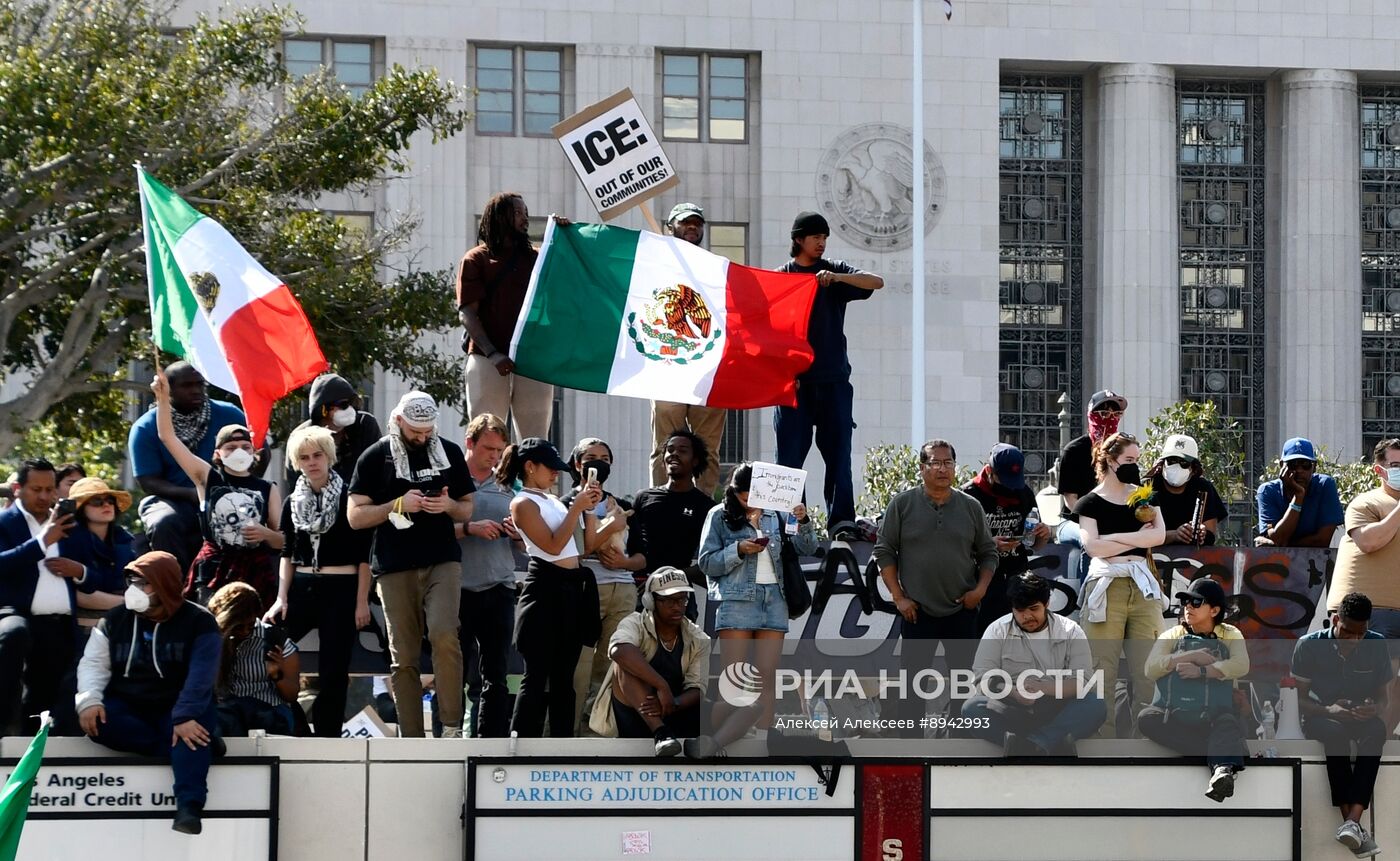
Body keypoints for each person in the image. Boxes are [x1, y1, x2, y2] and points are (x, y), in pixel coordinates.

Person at [347, 390, 475, 738]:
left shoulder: (447, 452)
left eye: (427, 431)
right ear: (398, 421)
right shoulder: (375, 457)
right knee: (403, 653)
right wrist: (397, 505)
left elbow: (467, 507)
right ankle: (411, 736)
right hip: (394, 565)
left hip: (442, 559)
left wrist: (447, 507)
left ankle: (451, 727)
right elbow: (355, 517)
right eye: (415, 431)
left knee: (445, 634)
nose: (421, 437)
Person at [76, 551, 222, 834]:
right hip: (130, 704)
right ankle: (199, 747)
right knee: (101, 724)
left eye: (143, 583)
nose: (135, 589)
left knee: (190, 736)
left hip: (179, 703)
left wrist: (185, 714)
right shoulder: (114, 619)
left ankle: (189, 807)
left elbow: (202, 675)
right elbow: (93, 663)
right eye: (131, 581)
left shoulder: (199, 621)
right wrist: (89, 701)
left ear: (164, 583)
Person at [873, 441, 998, 734]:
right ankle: (910, 752)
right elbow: (884, 551)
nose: (942, 469)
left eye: (948, 463)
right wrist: (899, 597)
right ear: (922, 468)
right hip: (916, 612)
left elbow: (988, 553)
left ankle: (961, 750)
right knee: (913, 686)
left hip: (962, 609)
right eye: (935, 463)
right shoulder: (902, 505)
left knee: (962, 686)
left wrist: (979, 591)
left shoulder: (971, 506)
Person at [773, 210, 883, 539]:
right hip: (794, 386)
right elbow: (767, 329)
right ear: (798, 240)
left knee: (839, 457)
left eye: (824, 238)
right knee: (789, 463)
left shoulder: (833, 272)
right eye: (815, 237)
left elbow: (876, 282)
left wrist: (838, 279)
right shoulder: (782, 277)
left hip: (834, 382)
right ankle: (792, 526)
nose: (821, 243)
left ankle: (841, 524)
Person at [503, 437, 620, 738]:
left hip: (571, 590)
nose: (556, 474)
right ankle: (522, 745)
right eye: (550, 468)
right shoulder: (522, 503)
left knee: (564, 678)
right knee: (536, 675)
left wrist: (588, 509)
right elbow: (553, 547)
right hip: (544, 590)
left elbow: (584, 547)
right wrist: (575, 508)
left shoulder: (552, 501)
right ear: (530, 467)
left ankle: (561, 744)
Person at [697, 463, 816, 751]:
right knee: (734, 674)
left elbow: (808, 548)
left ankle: (762, 739)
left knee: (767, 672)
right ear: (733, 492)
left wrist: (803, 520)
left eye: (755, 495)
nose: (750, 501)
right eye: (743, 495)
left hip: (775, 598)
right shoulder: (719, 515)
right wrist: (738, 549)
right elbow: (705, 561)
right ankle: (728, 737)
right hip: (736, 599)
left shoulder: (778, 513)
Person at [265, 424, 372, 738]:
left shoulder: (349, 499)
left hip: (342, 589)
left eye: (317, 455)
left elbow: (364, 555)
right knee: (266, 646)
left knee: (333, 671)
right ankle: (295, 725)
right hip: (301, 587)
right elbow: (287, 552)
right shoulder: (292, 502)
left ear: (329, 457)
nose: (312, 462)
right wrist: (281, 597)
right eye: (304, 457)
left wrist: (361, 600)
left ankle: (327, 737)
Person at [151, 370, 283, 608]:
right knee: (212, 633)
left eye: (245, 446)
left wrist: (265, 534)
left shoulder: (267, 489)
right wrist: (162, 399)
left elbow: (283, 541)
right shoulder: (207, 477)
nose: (240, 452)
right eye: (231, 447)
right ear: (217, 454)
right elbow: (167, 437)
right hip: (214, 570)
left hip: (256, 570)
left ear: (255, 453)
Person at [1074, 431, 1167, 737]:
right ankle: (1102, 740)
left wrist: (1113, 538)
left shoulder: (1144, 495)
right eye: (1129, 460)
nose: (1134, 466)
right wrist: (1135, 539)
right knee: (1102, 670)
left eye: (1137, 460)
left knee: (1147, 669)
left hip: (1142, 586)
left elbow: (1157, 537)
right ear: (1111, 461)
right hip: (1106, 585)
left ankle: (1146, 738)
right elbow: (1093, 548)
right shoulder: (1090, 501)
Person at [963, 573, 1105, 756]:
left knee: (1095, 704)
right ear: (1012, 608)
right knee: (972, 708)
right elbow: (982, 679)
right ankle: (1045, 743)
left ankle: (1030, 745)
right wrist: (1013, 692)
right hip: (1012, 708)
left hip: (1057, 708)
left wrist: (1042, 688)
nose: (1027, 616)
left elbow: (1082, 682)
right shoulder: (997, 629)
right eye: (1020, 610)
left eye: (1033, 608)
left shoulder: (1071, 631)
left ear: (1047, 604)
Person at [129, 361, 251, 573]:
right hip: (174, 500)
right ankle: (177, 589)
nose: (195, 390)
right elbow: (147, 481)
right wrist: (193, 493)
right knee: (163, 522)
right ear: (169, 389)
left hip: (227, 495)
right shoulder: (145, 426)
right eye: (187, 386)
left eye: (199, 384)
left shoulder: (230, 414)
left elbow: (258, 453)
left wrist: (241, 487)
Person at [1292, 592, 1389, 858]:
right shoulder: (1308, 645)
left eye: (1361, 634)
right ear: (1336, 620)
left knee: (1377, 731)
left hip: (1359, 718)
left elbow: (1384, 700)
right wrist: (1328, 709)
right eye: (1348, 633)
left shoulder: (1377, 644)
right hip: (1320, 716)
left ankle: (1351, 823)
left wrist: (1373, 709)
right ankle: (1354, 824)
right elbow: (1297, 700)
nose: (1355, 640)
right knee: (1334, 734)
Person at [1138, 578, 1250, 803]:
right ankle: (1221, 764)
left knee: (1228, 719)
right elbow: (1150, 669)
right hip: (1175, 714)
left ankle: (1221, 768)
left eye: (1196, 602)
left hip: (1213, 716)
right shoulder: (1173, 634)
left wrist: (1202, 671)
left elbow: (1241, 666)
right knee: (1147, 718)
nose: (1187, 607)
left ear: (1215, 610)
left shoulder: (1231, 634)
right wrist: (1190, 656)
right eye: (1186, 602)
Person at [457, 192, 556, 440]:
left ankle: (531, 480)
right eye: (518, 213)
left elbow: (565, 276)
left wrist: (563, 234)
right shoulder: (476, 259)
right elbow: (467, 313)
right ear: (500, 217)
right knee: (486, 433)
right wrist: (492, 353)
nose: (525, 218)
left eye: (526, 212)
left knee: (536, 440)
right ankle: (485, 480)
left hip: (532, 360)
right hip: (487, 358)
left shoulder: (537, 258)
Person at [589, 567, 711, 756]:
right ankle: (660, 734)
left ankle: (708, 744)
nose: (677, 606)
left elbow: (698, 688)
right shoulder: (634, 622)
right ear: (650, 601)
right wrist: (662, 686)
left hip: (673, 711)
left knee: (745, 707)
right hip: (635, 714)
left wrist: (672, 702)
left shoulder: (698, 637)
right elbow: (618, 650)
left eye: (682, 599)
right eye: (669, 600)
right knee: (623, 664)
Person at [0, 458, 82, 733]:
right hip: (15, 616)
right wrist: (41, 542)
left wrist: (79, 571)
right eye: (37, 489)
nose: (45, 496)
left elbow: (97, 570)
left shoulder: (68, 524)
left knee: (44, 702)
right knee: (14, 636)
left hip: (58, 625)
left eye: (50, 489)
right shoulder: (5, 523)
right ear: (17, 488)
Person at [648, 203, 725, 495]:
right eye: (685, 223)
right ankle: (659, 501)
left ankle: (703, 506)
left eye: (697, 223)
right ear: (671, 227)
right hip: (667, 364)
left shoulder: (717, 267)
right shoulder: (654, 263)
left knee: (707, 447)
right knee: (665, 443)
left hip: (708, 367)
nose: (693, 227)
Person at [1327, 438, 1400, 739]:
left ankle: (1378, 737)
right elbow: (1369, 542)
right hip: (1370, 612)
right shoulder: (1366, 503)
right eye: (1395, 466)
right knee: (1380, 680)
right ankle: (1367, 740)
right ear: (1379, 471)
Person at [564, 436, 637, 735]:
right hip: (583, 589)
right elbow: (573, 548)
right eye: (591, 457)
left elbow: (642, 556)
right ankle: (568, 735)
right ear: (578, 464)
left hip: (623, 589)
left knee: (609, 668)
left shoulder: (625, 505)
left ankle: (597, 732)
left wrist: (623, 563)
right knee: (578, 667)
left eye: (604, 459)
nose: (598, 463)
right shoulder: (565, 503)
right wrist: (609, 526)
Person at [456, 413, 521, 738]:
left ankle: (489, 742)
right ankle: (448, 736)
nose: (494, 456)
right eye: (488, 449)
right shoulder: (450, 478)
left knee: (495, 672)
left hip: (499, 588)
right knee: (452, 671)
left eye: (499, 450)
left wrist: (517, 532)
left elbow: (527, 544)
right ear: (470, 443)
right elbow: (428, 533)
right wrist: (469, 529)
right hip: (455, 590)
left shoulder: (510, 486)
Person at [963, 443, 1050, 633]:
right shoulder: (968, 497)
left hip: (1017, 580)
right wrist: (988, 547)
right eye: (1004, 480)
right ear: (989, 471)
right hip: (980, 584)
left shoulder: (1023, 492)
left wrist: (1043, 534)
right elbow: (956, 548)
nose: (1009, 487)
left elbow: (1035, 545)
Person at [621, 430, 716, 583]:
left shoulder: (706, 506)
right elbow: (628, 543)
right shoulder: (643, 497)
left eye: (682, 451)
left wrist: (670, 578)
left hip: (678, 588)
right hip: (638, 585)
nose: (674, 454)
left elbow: (710, 559)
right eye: (670, 450)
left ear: (695, 461)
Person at [208, 582, 301, 736]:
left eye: (250, 626)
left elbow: (292, 695)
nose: (245, 631)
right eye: (238, 627)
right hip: (226, 715)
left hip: (269, 712)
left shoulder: (273, 639)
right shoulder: (209, 639)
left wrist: (277, 675)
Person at [286, 372, 383, 486]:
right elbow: (294, 481)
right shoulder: (300, 437)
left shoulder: (365, 425)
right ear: (324, 410)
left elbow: (379, 469)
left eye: (352, 403)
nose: (350, 409)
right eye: (343, 405)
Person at [1054, 389, 1128, 532]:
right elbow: (1070, 499)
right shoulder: (1074, 450)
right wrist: (1095, 522)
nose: (1110, 419)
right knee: (1090, 539)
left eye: (1117, 414)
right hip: (1074, 521)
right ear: (1092, 416)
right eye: (1104, 414)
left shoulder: (1122, 450)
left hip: (1111, 521)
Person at [59, 477, 136, 612]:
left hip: (124, 618)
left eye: (110, 501)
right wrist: (128, 602)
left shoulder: (124, 539)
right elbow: (76, 595)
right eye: (96, 501)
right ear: (81, 509)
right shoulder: (69, 540)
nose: (106, 505)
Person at [1255, 437, 1344, 548]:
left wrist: (1278, 544)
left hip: (1314, 563)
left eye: (1305, 464)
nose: (1299, 470)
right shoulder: (1267, 491)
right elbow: (1278, 538)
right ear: (1282, 466)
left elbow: (1322, 540)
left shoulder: (1325, 485)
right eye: (1293, 465)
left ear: (1314, 467)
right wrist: (1298, 498)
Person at [1144, 434, 1229, 545]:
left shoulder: (1203, 488)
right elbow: (1140, 535)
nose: (1176, 466)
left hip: (1194, 559)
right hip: (1153, 557)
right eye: (1171, 461)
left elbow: (1211, 533)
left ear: (1193, 469)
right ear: (1162, 464)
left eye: (1183, 463)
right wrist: (1174, 535)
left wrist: (1202, 533)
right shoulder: (1146, 489)